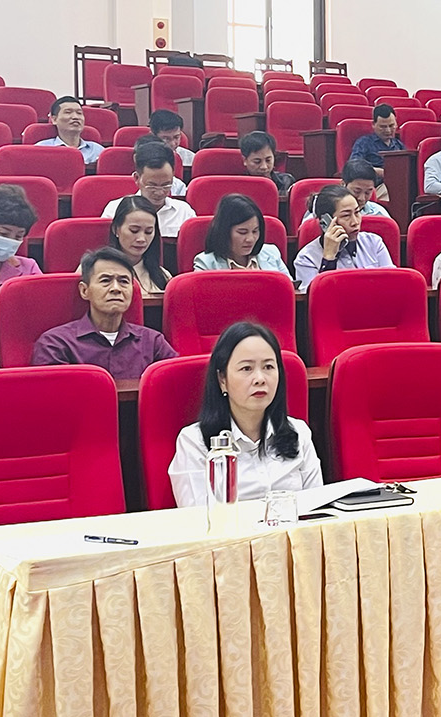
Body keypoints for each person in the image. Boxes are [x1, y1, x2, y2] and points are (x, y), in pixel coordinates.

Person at [168, 322, 322, 508]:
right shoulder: (195, 442)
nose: (260, 379)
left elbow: (316, 509)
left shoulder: (299, 433)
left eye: (268, 367)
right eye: (246, 369)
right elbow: (197, 517)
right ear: (222, 379)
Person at [31, 248, 177, 378]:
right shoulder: (56, 344)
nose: (116, 288)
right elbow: (53, 395)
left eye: (124, 281)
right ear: (84, 290)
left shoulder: (153, 342)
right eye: (106, 280)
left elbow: (178, 382)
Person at [292, 185, 393, 290]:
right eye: (346, 216)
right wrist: (329, 258)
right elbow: (316, 297)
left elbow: (391, 284)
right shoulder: (306, 258)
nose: (355, 222)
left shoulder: (374, 243)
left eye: (357, 212)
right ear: (326, 221)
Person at [101, 141, 194, 238]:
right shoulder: (114, 210)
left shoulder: (184, 212)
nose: (159, 192)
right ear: (137, 178)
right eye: (152, 186)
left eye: (166, 185)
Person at [193, 194, 290, 272]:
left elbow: (289, 287)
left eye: (255, 231)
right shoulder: (206, 263)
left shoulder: (272, 253)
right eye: (242, 232)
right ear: (224, 232)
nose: (250, 239)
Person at [106, 195, 172, 294]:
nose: (141, 239)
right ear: (116, 229)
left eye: (148, 232)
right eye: (134, 230)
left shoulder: (163, 276)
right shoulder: (94, 270)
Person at [349, 105, 406, 189]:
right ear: (373, 124)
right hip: (375, 186)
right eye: (383, 127)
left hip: (398, 183)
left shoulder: (399, 145)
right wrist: (378, 172)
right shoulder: (364, 143)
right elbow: (354, 166)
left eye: (391, 126)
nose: (388, 130)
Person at [36, 96, 105, 163]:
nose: (75, 117)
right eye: (68, 112)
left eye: (79, 113)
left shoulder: (97, 150)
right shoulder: (41, 149)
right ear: (54, 119)